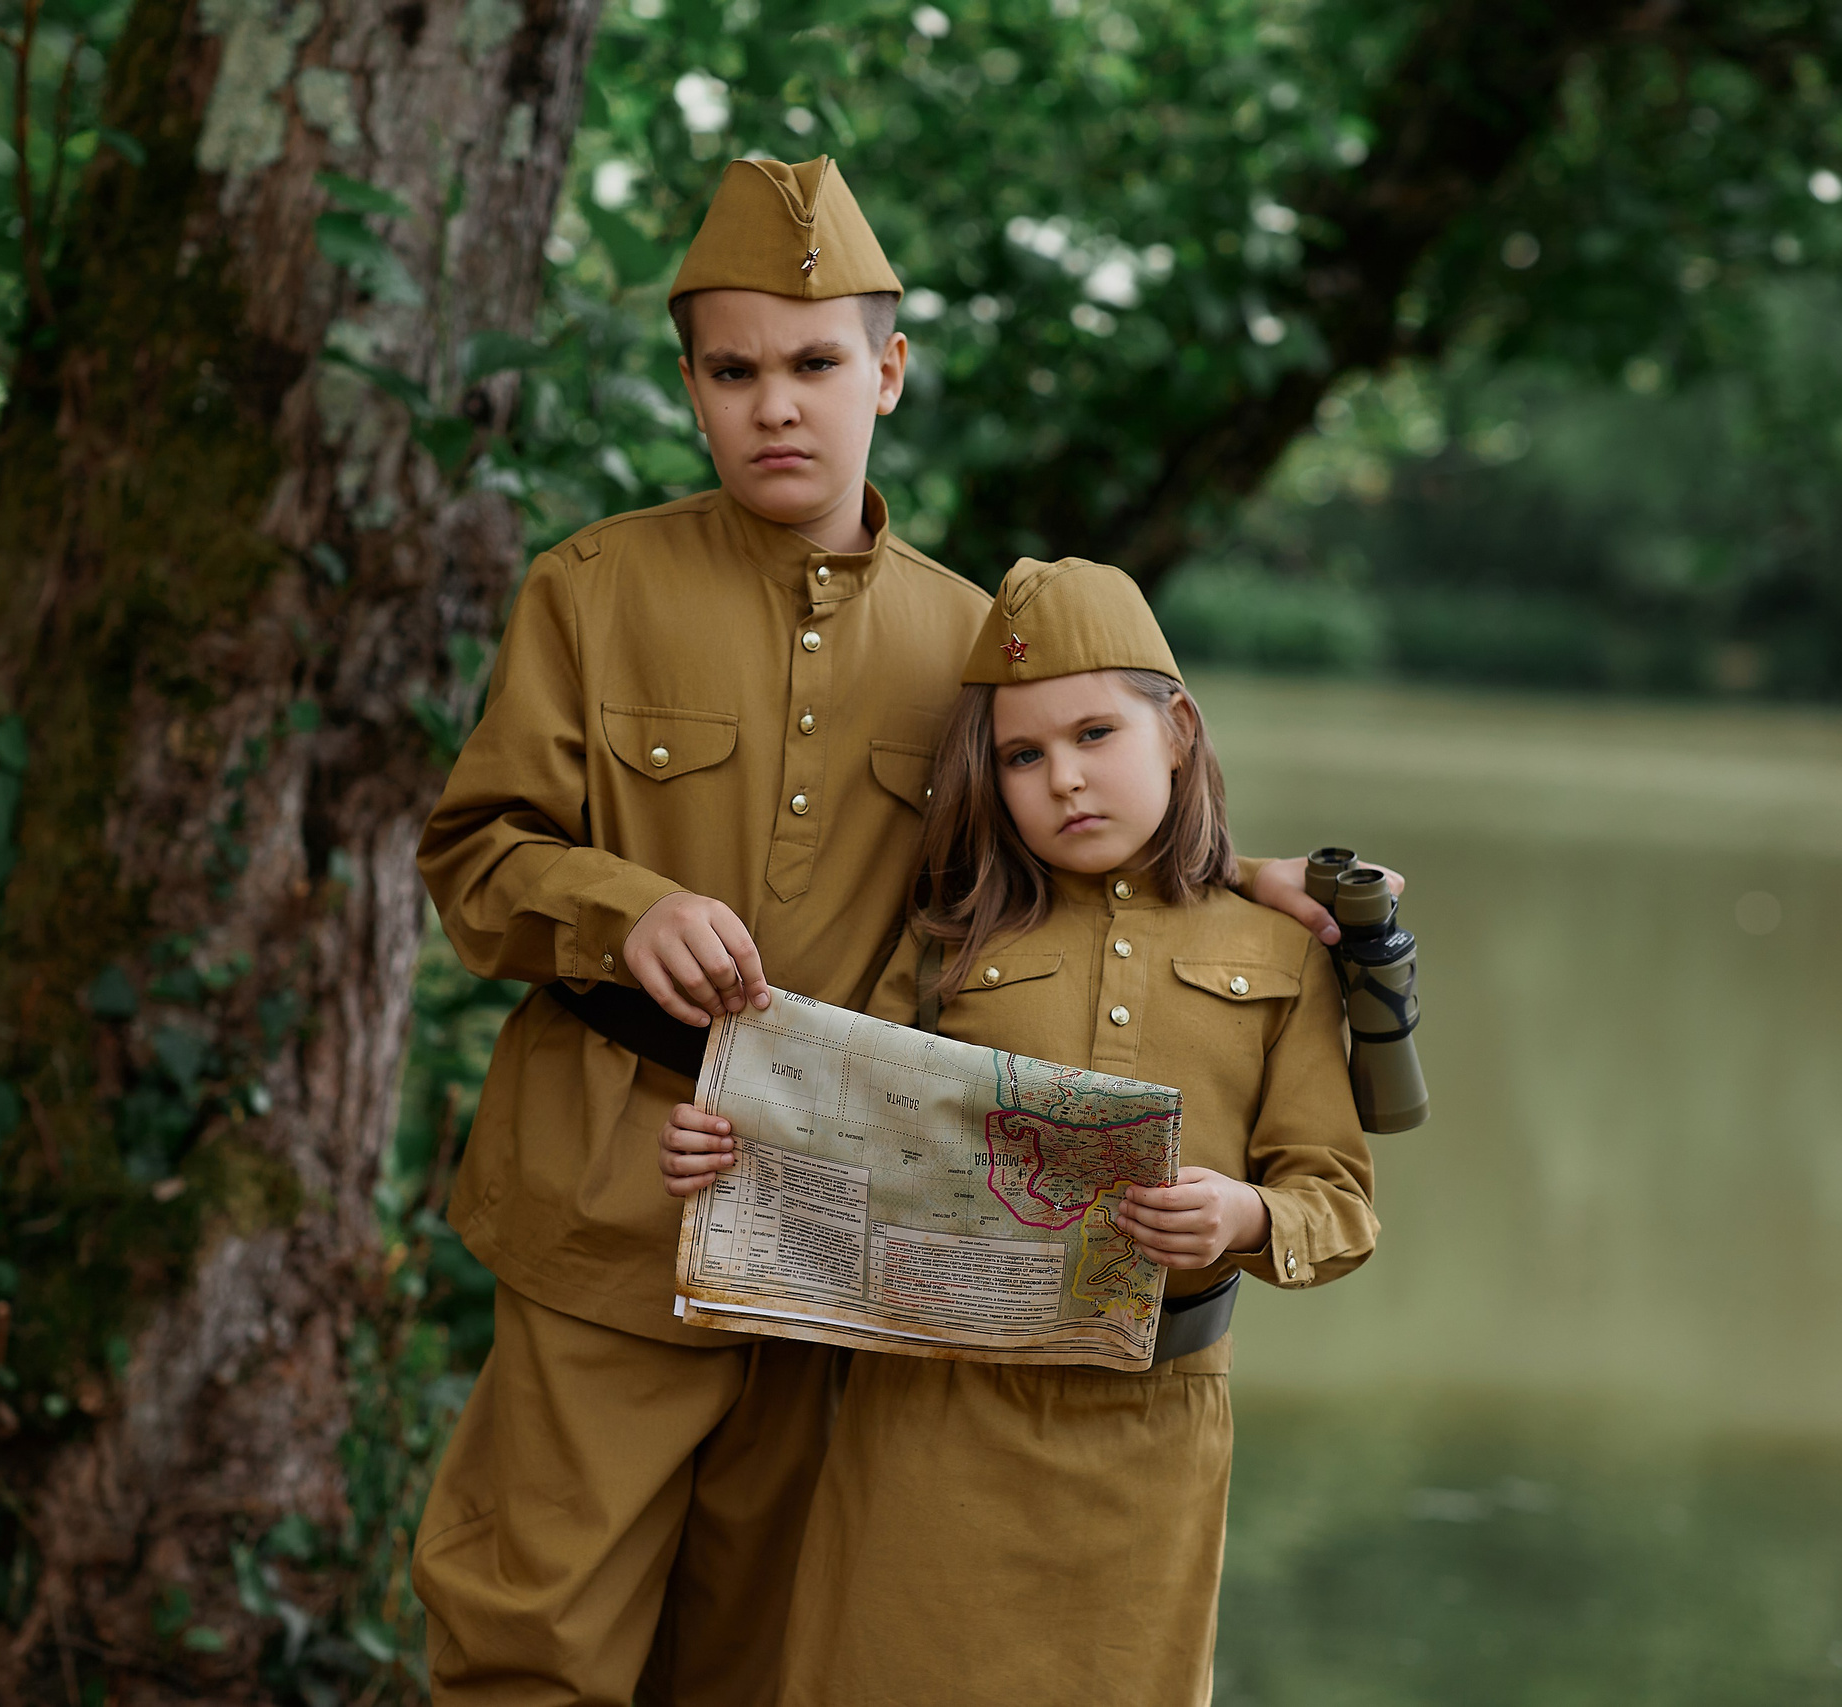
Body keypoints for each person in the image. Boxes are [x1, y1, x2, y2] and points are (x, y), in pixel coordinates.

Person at [417, 154, 1368, 1706]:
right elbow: (474, 855)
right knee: (532, 1630)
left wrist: (1249, 880)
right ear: (692, 385)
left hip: (843, 1251)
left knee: (755, 1649)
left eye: (813, 365)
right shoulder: (591, 589)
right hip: (608, 1194)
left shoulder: (963, 649)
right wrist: (624, 904)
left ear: (889, 373)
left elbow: (1076, 858)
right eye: (734, 371)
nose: (775, 404)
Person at [659, 558, 1380, 1707]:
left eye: (1096, 735)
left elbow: (1336, 1205)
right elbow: (827, 1135)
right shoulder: (951, 942)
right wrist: (724, 1156)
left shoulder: (1284, 956)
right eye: (1022, 756)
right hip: (929, 1420)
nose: (1065, 782)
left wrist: (1242, 1213)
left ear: (1178, 731)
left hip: (1154, 1427)